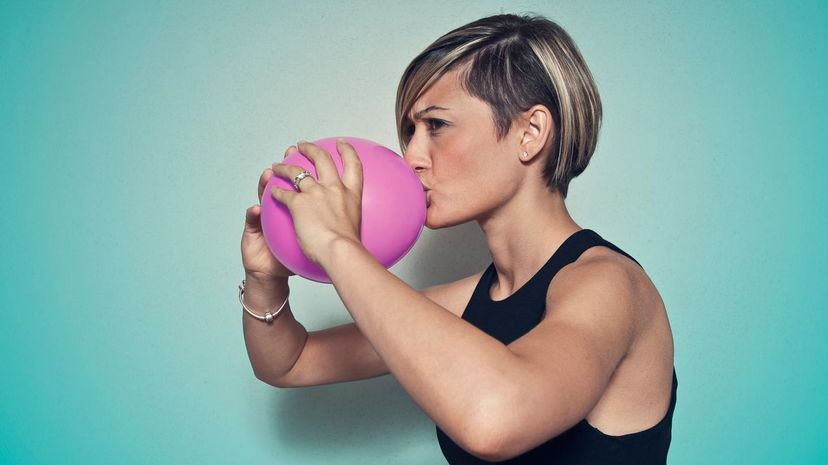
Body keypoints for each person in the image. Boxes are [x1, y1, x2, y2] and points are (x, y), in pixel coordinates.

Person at [240, 13, 677, 464]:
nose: (411, 156)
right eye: (410, 131)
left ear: (530, 134)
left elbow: (494, 420)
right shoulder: (470, 301)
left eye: (436, 126)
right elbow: (289, 361)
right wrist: (265, 278)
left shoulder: (609, 284)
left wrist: (335, 244)